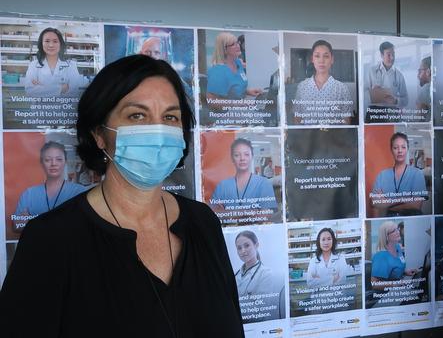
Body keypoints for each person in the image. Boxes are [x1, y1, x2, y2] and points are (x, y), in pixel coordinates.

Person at [0, 54, 244, 337]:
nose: (158, 130)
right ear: (99, 134)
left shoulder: (204, 222)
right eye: (137, 115)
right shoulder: (51, 240)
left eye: (170, 117)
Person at [12, 141, 87, 232]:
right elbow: (17, 226)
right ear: (41, 163)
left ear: (65, 162)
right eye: (47, 160)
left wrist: (32, 221)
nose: (53, 164)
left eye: (59, 159)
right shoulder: (29, 194)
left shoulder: (79, 191)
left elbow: (84, 225)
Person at [211, 138, 278, 218]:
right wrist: (249, 212)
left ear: (252, 157)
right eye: (237, 155)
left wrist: (228, 212)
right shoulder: (222, 186)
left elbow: (267, 214)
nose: (242, 158)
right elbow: (213, 213)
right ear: (232, 158)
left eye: (246, 154)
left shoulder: (263, 183)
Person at [293, 40, 354, 125]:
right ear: (312, 59)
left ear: (332, 59)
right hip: (307, 137)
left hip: (333, 137)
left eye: (326, 56)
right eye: (317, 56)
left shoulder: (342, 88)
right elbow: (297, 118)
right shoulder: (302, 87)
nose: (321, 60)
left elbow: (346, 122)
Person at [370, 132, 427, 216]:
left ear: (407, 149)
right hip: (388, 219)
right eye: (396, 147)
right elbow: (374, 202)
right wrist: (403, 199)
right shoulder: (382, 175)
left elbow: (416, 205)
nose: (400, 151)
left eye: (403, 147)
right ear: (391, 150)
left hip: (412, 220)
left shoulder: (417, 174)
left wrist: (386, 203)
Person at [25, 27, 88, 97]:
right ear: (41, 43)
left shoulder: (71, 65)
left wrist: (42, 88)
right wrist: (61, 88)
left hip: (64, 107)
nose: (51, 45)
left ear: (60, 44)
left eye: (55, 41)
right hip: (40, 107)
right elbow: (30, 91)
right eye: (47, 41)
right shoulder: (33, 65)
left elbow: (73, 93)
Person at [206, 32, 262, 106]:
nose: (238, 46)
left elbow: (232, 88)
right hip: (225, 115)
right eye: (233, 44)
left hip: (238, 111)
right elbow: (212, 102)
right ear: (224, 49)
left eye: (237, 43)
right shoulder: (217, 71)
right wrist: (237, 104)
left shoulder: (238, 63)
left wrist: (248, 92)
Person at [365, 41, 408, 109]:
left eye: (393, 54)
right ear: (382, 55)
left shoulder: (399, 75)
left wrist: (396, 101)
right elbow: (363, 94)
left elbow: (406, 100)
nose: (392, 58)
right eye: (388, 54)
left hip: (392, 113)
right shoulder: (372, 71)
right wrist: (372, 93)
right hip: (374, 112)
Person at [233, 230, 273, 296]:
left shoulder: (266, 274)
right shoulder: (236, 275)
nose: (243, 251)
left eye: (247, 245)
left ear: (256, 245)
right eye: (239, 248)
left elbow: (264, 302)